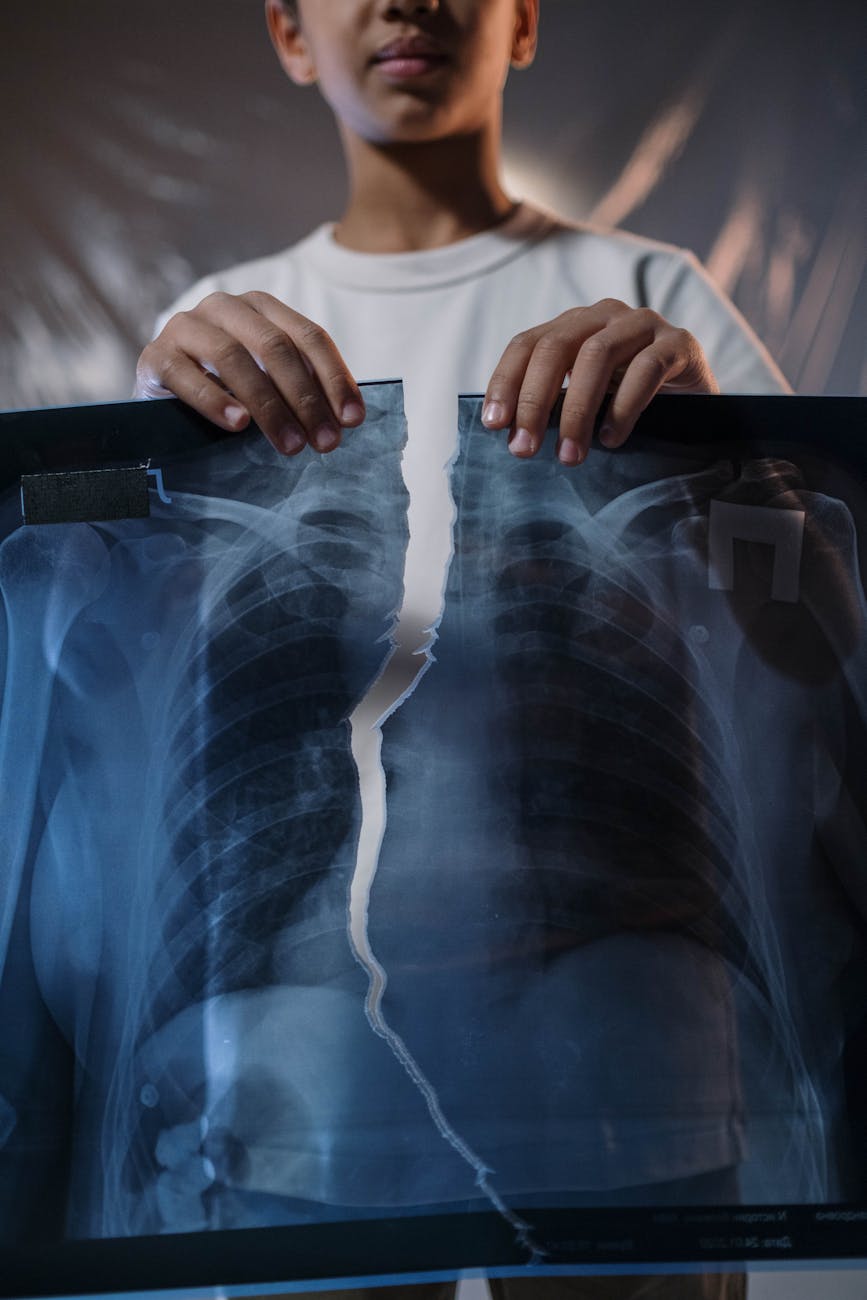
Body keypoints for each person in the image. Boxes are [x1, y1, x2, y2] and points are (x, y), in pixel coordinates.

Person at [136, 1, 789, 1296]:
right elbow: (132, 706)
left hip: (624, 1029)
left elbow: (808, 661)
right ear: (287, 31)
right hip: (301, 1046)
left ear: (525, 22)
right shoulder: (214, 332)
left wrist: (727, 465)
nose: (404, 0)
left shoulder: (654, 300)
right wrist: (139, 481)